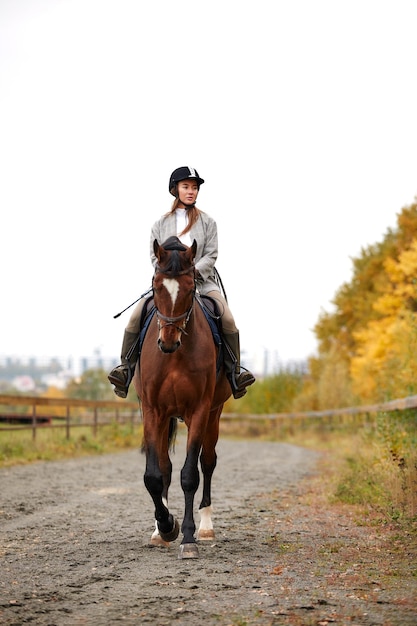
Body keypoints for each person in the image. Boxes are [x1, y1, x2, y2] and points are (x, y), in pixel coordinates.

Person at [108, 166, 255, 399]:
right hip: (167, 285)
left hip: (202, 282)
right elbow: (154, 256)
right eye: (186, 187)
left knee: (228, 319)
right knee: (136, 316)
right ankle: (125, 370)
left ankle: (235, 374)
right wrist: (167, 276)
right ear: (175, 189)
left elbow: (211, 254)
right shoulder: (160, 224)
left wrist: (193, 272)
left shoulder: (209, 222)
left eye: (194, 188)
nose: (191, 192)